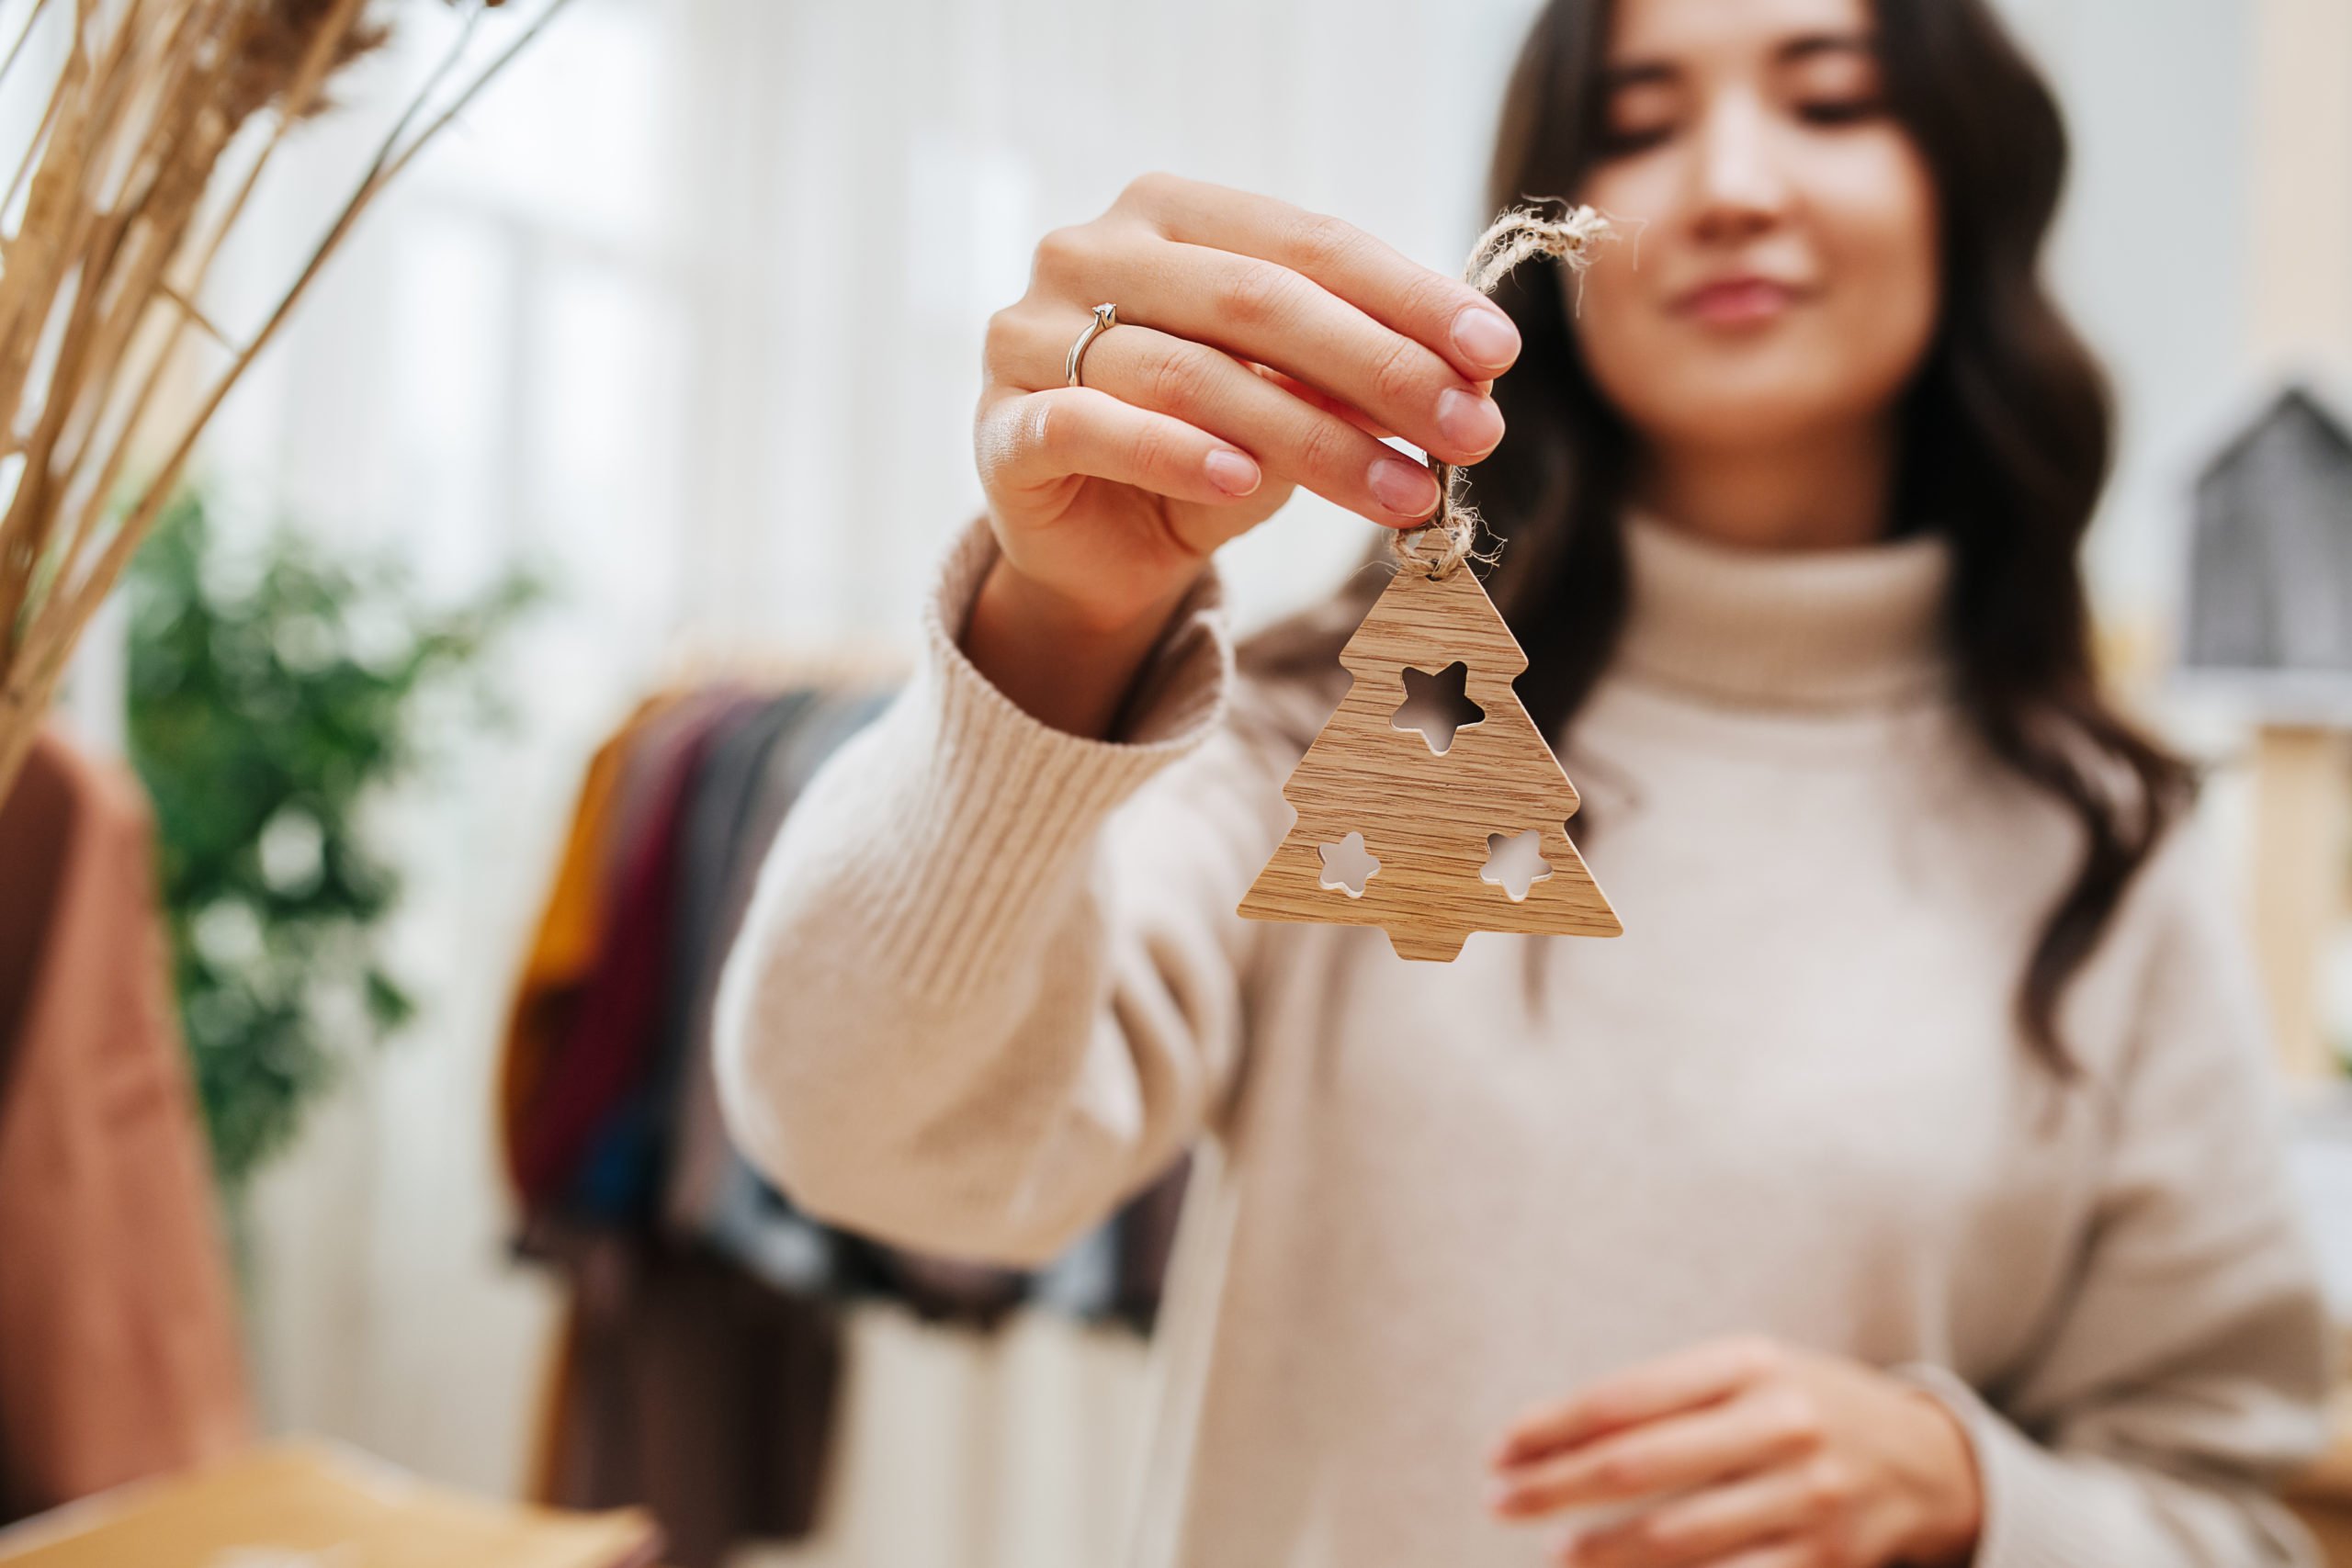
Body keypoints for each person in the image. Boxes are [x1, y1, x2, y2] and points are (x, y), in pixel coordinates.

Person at [714, 0, 2335, 1562]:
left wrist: (1969, 1494)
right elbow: (873, 1144)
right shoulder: (1353, 736)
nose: (1729, 186)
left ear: (1962, 183)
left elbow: (2255, 1511)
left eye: (1830, 98)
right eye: (1638, 122)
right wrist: (1058, 617)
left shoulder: (2097, 849)